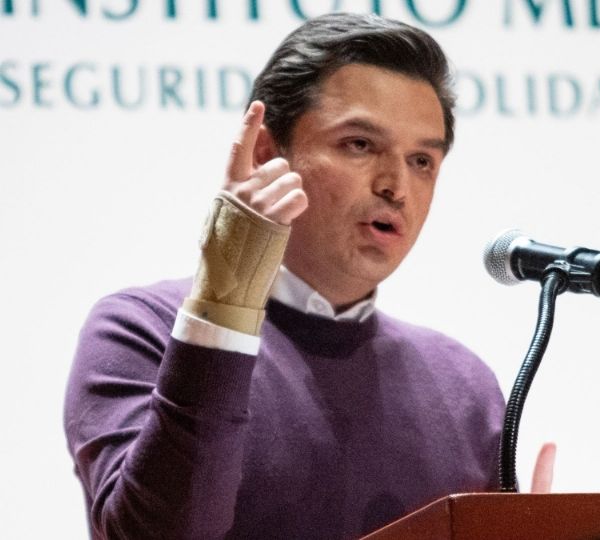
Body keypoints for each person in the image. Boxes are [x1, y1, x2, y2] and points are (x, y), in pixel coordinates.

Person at [64, 13, 554, 540]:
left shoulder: (464, 384)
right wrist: (226, 302)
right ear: (267, 154)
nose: (396, 186)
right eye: (360, 145)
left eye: (421, 161)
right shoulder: (143, 331)